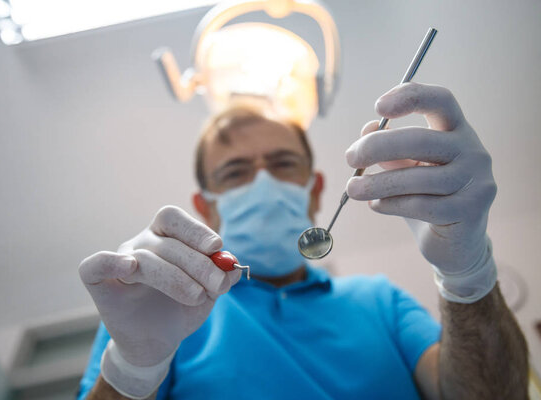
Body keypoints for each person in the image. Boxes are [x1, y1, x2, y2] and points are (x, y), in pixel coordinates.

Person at [76, 83, 528, 400]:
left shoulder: (381, 302)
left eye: (282, 163)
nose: (264, 184)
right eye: (235, 172)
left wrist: (468, 274)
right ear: (207, 205)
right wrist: (134, 373)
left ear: (314, 192)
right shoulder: (159, 311)